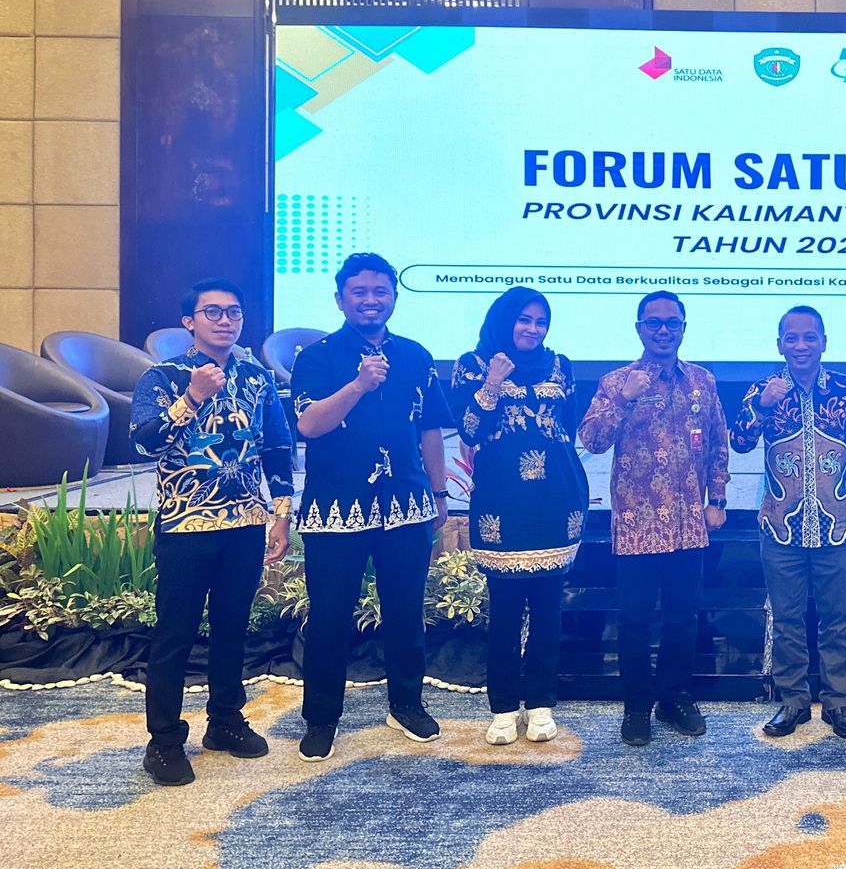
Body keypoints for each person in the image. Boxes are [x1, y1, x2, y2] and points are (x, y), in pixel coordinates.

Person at [290, 252, 453, 762]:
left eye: (380, 291)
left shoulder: (416, 355)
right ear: (340, 299)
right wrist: (359, 384)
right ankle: (321, 718)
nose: (370, 300)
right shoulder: (316, 357)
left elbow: (430, 429)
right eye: (358, 292)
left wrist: (440, 492)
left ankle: (406, 705)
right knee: (329, 617)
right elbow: (309, 425)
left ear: (394, 298)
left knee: (405, 611)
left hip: (407, 503)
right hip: (336, 507)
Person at [130, 279, 294, 786]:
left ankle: (225, 721)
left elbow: (277, 447)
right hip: (186, 524)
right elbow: (144, 444)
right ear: (189, 322)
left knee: (232, 627)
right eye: (213, 312)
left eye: (234, 312)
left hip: (244, 522)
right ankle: (163, 742)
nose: (225, 321)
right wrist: (192, 398)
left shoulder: (257, 378)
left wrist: (281, 513)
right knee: (175, 633)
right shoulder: (163, 376)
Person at [579, 290, 729, 746]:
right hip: (637, 523)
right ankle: (637, 706)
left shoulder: (702, 381)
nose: (663, 330)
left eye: (672, 323)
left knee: (683, 618)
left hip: (689, 522)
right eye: (654, 323)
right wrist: (624, 399)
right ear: (639, 329)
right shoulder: (616, 382)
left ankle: (674, 698)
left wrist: (718, 499)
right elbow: (592, 439)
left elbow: (718, 443)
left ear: (683, 328)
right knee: (634, 620)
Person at [731, 306, 846, 740]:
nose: (801, 345)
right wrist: (761, 406)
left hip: (837, 524)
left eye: (809, 337)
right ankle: (793, 702)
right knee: (787, 620)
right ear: (779, 344)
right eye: (791, 338)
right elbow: (740, 442)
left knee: (838, 619)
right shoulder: (762, 390)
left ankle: (837, 702)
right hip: (781, 526)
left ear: (824, 342)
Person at [451, 287, 588, 746]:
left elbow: (568, 427)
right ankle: (504, 707)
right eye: (524, 319)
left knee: (549, 609)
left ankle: (542, 703)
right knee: (506, 610)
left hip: (556, 498)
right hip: (502, 502)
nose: (533, 329)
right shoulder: (473, 364)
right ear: (504, 319)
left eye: (540, 321)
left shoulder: (560, 365)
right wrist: (492, 383)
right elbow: (469, 429)